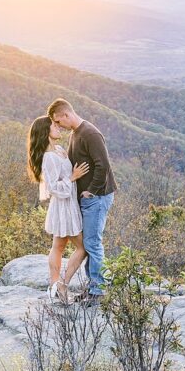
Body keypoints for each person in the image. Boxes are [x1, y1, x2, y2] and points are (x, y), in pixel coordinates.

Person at [47, 98, 117, 305]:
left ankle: (99, 290)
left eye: (59, 122)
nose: (59, 126)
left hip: (98, 196)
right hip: (88, 199)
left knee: (92, 243)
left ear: (66, 115)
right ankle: (93, 287)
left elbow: (102, 165)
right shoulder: (76, 134)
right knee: (88, 243)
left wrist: (91, 191)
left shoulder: (90, 133)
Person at [27, 115, 90, 304]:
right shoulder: (49, 158)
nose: (58, 128)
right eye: (54, 126)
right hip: (63, 206)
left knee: (59, 246)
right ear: (46, 131)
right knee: (84, 247)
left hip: (69, 203)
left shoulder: (60, 150)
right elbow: (53, 187)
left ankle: (55, 288)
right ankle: (61, 284)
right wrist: (72, 178)